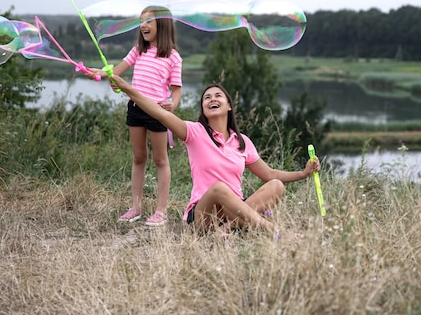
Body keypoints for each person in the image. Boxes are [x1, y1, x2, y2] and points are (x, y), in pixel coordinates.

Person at [105, 74, 320, 234]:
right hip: (203, 213)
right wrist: (125, 87)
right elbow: (159, 112)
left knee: (276, 186)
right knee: (218, 188)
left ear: (228, 106)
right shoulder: (195, 132)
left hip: (234, 211)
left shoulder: (242, 141)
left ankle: (226, 231)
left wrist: (303, 173)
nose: (211, 99)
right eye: (207, 97)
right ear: (204, 109)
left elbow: (270, 173)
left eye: (218, 96)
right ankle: (271, 230)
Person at [89, 6, 182, 226]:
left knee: (160, 160)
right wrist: (98, 73)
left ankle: (161, 211)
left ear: (164, 24)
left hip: (157, 110)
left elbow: (176, 88)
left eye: (149, 21)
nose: (143, 26)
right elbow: (116, 71)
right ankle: (136, 208)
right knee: (139, 157)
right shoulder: (138, 50)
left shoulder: (173, 57)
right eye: (142, 21)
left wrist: (174, 104)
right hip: (135, 109)